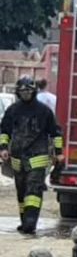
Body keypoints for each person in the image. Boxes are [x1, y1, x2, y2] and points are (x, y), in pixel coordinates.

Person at [0, 76, 63, 235]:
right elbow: (4, 131)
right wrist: (3, 148)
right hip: (17, 158)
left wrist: (59, 153)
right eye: (23, 91)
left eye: (28, 91)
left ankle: (30, 222)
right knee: (21, 192)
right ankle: (24, 221)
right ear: (18, 92)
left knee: (33, 191)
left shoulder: (44, 111)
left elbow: (55, 133)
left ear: (34, 91)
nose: (25, 93)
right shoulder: (13, 110)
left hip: (38, 157)